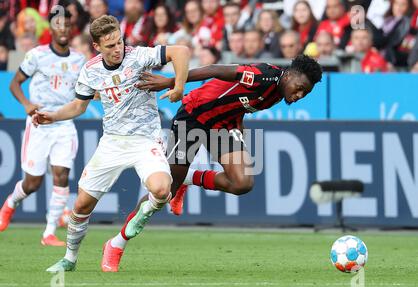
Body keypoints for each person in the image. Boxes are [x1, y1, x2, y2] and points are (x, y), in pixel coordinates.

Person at [102, 54, 322, 272]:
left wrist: (239, 126)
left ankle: (191, 177)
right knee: (164, 193)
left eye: (305, 93)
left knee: (242, 183)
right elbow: (215, 70)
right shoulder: (262, 76)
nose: (299, 95)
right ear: (290, 74)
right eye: (300, 87)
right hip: (194, 116)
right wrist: (172, 82)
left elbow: (239, 101)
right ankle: (116, 243)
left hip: (223, 126)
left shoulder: (278, 92)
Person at [32, 14, 190, 272]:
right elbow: (78, 106)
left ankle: (134, 224)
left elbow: (181, 51)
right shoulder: (90, 70)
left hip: (144, 139)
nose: (118, 49)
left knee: (162, 190)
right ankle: (69, 259)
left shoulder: (138, 56)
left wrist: (179, 87)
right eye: (110, 46)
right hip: (112, 143)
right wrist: (53, 115)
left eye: (119, 42)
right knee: (82, 205)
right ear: (97, 46)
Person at [0, 9, 85, 246]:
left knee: (62, 175)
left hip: (64, 123)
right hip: (39, 123)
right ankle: (10, 204)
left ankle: (48, 232)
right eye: (58, 24)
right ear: (51, 28)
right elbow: (15, 83)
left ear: (71, 29)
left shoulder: (79, 59)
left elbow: (86, 91)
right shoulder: (37, 55)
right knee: (32, 183)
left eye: (67, 25)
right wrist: (26, 104)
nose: (63, 29)